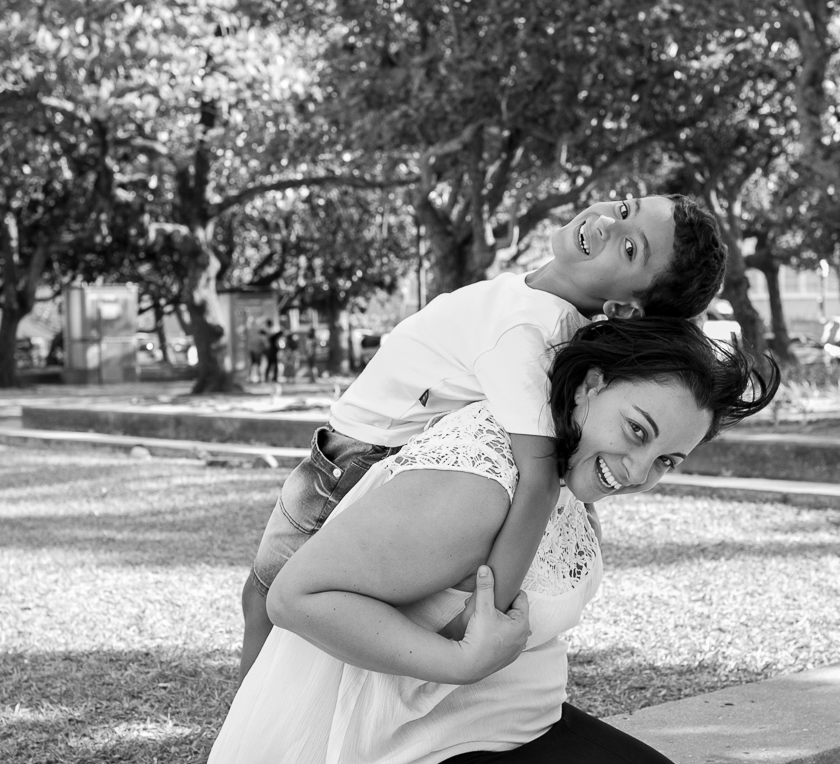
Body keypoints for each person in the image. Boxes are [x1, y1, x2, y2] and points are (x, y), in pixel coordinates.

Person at [210, 317, 779, 763]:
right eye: (637, 432)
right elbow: (296, 597)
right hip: (413, 748)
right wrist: (459, 661)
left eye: (666, 461)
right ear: (589, 387)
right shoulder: (479, 484)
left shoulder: (557, 469)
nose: (637, 471)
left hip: (506, 730)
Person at [239, 194, 728, 678]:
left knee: (265, 595)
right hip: (362, 445)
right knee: (273, 605)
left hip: (352, 459)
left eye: (629, 250)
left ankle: (243, 739)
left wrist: (487, 615)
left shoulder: (529, 330)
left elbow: (539, 477)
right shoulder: (547, 299)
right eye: (623, 209)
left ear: (623, 309)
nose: (606, 225)